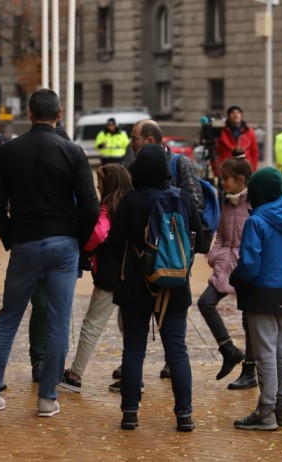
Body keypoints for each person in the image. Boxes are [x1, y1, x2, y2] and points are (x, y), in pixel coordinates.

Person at [0, 89, 99, 417]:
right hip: (63, 241)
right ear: (59, 113)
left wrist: (10, 235)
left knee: (8, 319)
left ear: (29, 114)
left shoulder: (8, 151)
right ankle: (47, 398)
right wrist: (80, 239)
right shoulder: (73, 152)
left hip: (26, 241)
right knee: (60, 321)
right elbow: (91, 206)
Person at [108, 143, 204, 432]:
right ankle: (184, 414)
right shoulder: (183, 197)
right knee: (177, 351)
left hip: (136, 288)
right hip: (175, 287)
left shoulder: (131, 200)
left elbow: (113, 246)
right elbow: (199, 238)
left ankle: (129, 413)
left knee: (133, 351)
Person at [230, 167, 282, 430]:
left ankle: (266, 411)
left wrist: (236, 278)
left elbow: (250, 264)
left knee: (265, 353)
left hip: (261, 294)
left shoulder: (257, 221)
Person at [59, 164, 133, 392]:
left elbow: (99, 233)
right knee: (129, 327)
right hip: (132, 274)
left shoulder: (108, 207)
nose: (98, 186)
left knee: (92, 325)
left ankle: (74, 375)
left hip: (110, 276)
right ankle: (132, 376)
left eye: (100, 181)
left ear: (109, 184)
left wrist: (86, 249)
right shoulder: (133, 203)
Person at [197, 149, 252, 383]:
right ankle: (229, 350)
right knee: (205, 302)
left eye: (226, 178)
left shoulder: (254, 204)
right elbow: (220, 235)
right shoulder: (226, 203)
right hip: (224, 265)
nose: (223, 182)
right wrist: (215, 256)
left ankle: (250, 370)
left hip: (246, 267)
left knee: (249, 318)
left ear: (240, 180)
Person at [215, 105, 259, 175]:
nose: (236, 115)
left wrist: (252, 168)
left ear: (241, 115)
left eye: (238, 112)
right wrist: (217, 171)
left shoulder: (249, 131)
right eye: (233, 113)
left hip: (244, 169)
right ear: (228, 116)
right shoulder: (221, 131)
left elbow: (254, 152)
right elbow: (216, 152)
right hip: (227, 168)